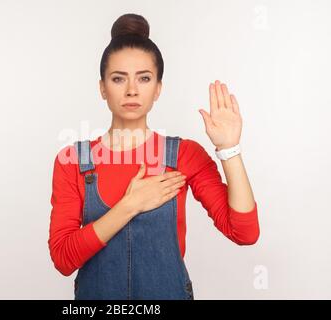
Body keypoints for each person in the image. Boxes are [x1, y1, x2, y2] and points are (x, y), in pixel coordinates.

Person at [48, 13, 260, 300]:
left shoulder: (184, 155)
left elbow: (244, 233)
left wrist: (229, 149)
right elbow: (63, 259)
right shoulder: (73, 160)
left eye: (144, 78)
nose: (132, 90)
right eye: (118, 79)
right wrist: (130, 205)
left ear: (158, 88)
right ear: (102, 88)